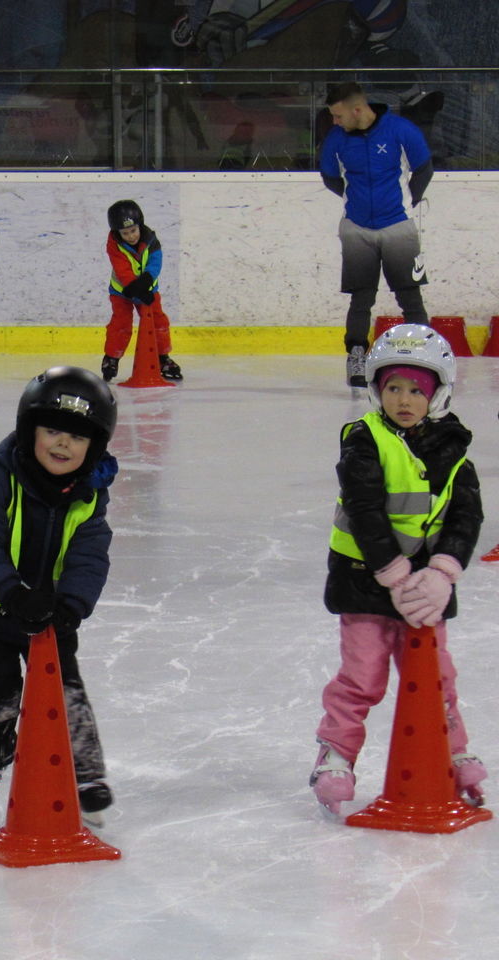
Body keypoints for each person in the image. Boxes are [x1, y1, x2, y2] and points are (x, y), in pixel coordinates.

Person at [310, 324, 487, 816]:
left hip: (425, 591)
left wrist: (440, 574)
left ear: (437, 394)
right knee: (362, 676)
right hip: (364, 581)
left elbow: (465, 516)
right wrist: (395, 573)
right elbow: (365, 510)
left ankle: (451, 751)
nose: (404, 399)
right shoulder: (363, 440)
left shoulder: (455, 451)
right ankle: (336, 755)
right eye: (393, 388)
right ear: (377, 390)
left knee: (435, 678)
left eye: (416, 389)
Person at [0, 366, 118, 824]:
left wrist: (72, 604)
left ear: (94, 446)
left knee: (67, 688)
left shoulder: (87, 494)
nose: (63, 444)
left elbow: (90, 553)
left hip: (49, 612)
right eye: (53, 430)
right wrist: (10, 593)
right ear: (30, 430)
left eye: (78, 437)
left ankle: (85, 772)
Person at [320, 81, 433, 388]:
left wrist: (407, 203)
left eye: (338, 115)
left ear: (357, 110)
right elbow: (330, 177)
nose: (335, 122)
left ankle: (423, 353)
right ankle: (357, 355)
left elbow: (424, 168)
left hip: (399, 227)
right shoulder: (336, 139)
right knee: (361, 297)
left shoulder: (400, 130)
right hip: (357, 229)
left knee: (410, 294)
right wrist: (355, 202)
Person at [101, 200, 183, 384]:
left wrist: (146, 281)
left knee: (158, 321)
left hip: (147, 289)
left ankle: (163, 359)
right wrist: (134, 287)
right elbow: (122, 269)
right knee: (121, 324)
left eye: (133, 231)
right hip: (122, 291)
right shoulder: (114, 246)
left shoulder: (151, 240)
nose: (131, 236)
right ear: (117, 233)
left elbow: (155, 263)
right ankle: (111, 359)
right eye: (125, 233)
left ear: (140, 225)